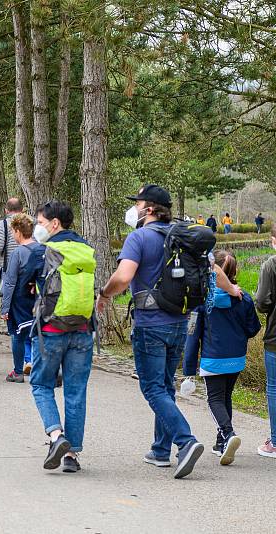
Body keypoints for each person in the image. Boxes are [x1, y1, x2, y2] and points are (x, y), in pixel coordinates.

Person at [97, 185, 204, 479]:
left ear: (150, 208)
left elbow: (123, 277)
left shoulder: (139, 237)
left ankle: (186, 441)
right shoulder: (181, 236)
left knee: (153, 388)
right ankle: (160, 451)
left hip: (151, 324)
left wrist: (104, 295)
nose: (135, 207)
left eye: (139, 202)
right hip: (180, 322)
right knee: (166, 386)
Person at [23, 200, 96, 474]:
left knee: (41, 385)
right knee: (76, 392)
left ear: (55, 224)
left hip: (51, 331)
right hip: (82, 330)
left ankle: (56, 436)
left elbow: (23, 285)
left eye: (40, 223)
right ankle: (72, 456)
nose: (37, 228)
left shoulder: (43, 252)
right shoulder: (86, 250)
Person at [183, 250, 260, 465]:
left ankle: (227, 434)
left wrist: (188, 370)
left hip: (213, 356)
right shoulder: (243, 298)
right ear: (234, 271)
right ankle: (221, 442)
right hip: (236, 357)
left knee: (214, 399)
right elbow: (253, 328)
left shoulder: (202, 299)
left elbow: (192, 334)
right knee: (225, 396)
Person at [1, 213, 45, 383]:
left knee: (18, 335)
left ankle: (18, 371)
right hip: (40, 299)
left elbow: (10, 282)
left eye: (12, 231)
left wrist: (5, 307)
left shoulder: (17, 253)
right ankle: (42, 369)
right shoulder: (42, 249)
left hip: (20, 301)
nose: (12, 235)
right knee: (39, 334)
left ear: (18, 231)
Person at [255, 222, 276, 459]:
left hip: (275, 337)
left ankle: (275, 442)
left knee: (274, 389)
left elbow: (262, 301)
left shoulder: (271, 265)